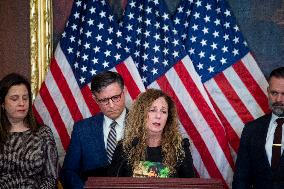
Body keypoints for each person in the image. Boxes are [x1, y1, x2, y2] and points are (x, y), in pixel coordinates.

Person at [60, 71, 127, 188]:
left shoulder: (143, 126)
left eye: (116, 97)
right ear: (95, 99)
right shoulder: (82, 129)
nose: (111, 105)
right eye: (104, 100)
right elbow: (68, 172)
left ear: (124, 92)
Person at [108, 88, 195, 178]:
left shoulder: (179, 148)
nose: (158, 116)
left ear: (168, 117)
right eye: (152, 110)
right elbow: (111, 184)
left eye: (163, 111)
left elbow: (190, 185)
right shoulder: (126, 148)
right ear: (141, 114)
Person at [0, 73, 58, 188]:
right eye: (14, 99)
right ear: (2, 103)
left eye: (25, 98)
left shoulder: (43, 133)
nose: (22, 103)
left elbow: (51, 178)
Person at [233, 67, 284, 189]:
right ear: (267, 92)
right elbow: (241, 179)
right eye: (274, 93)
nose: (278, 99)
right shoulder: (251, 130)